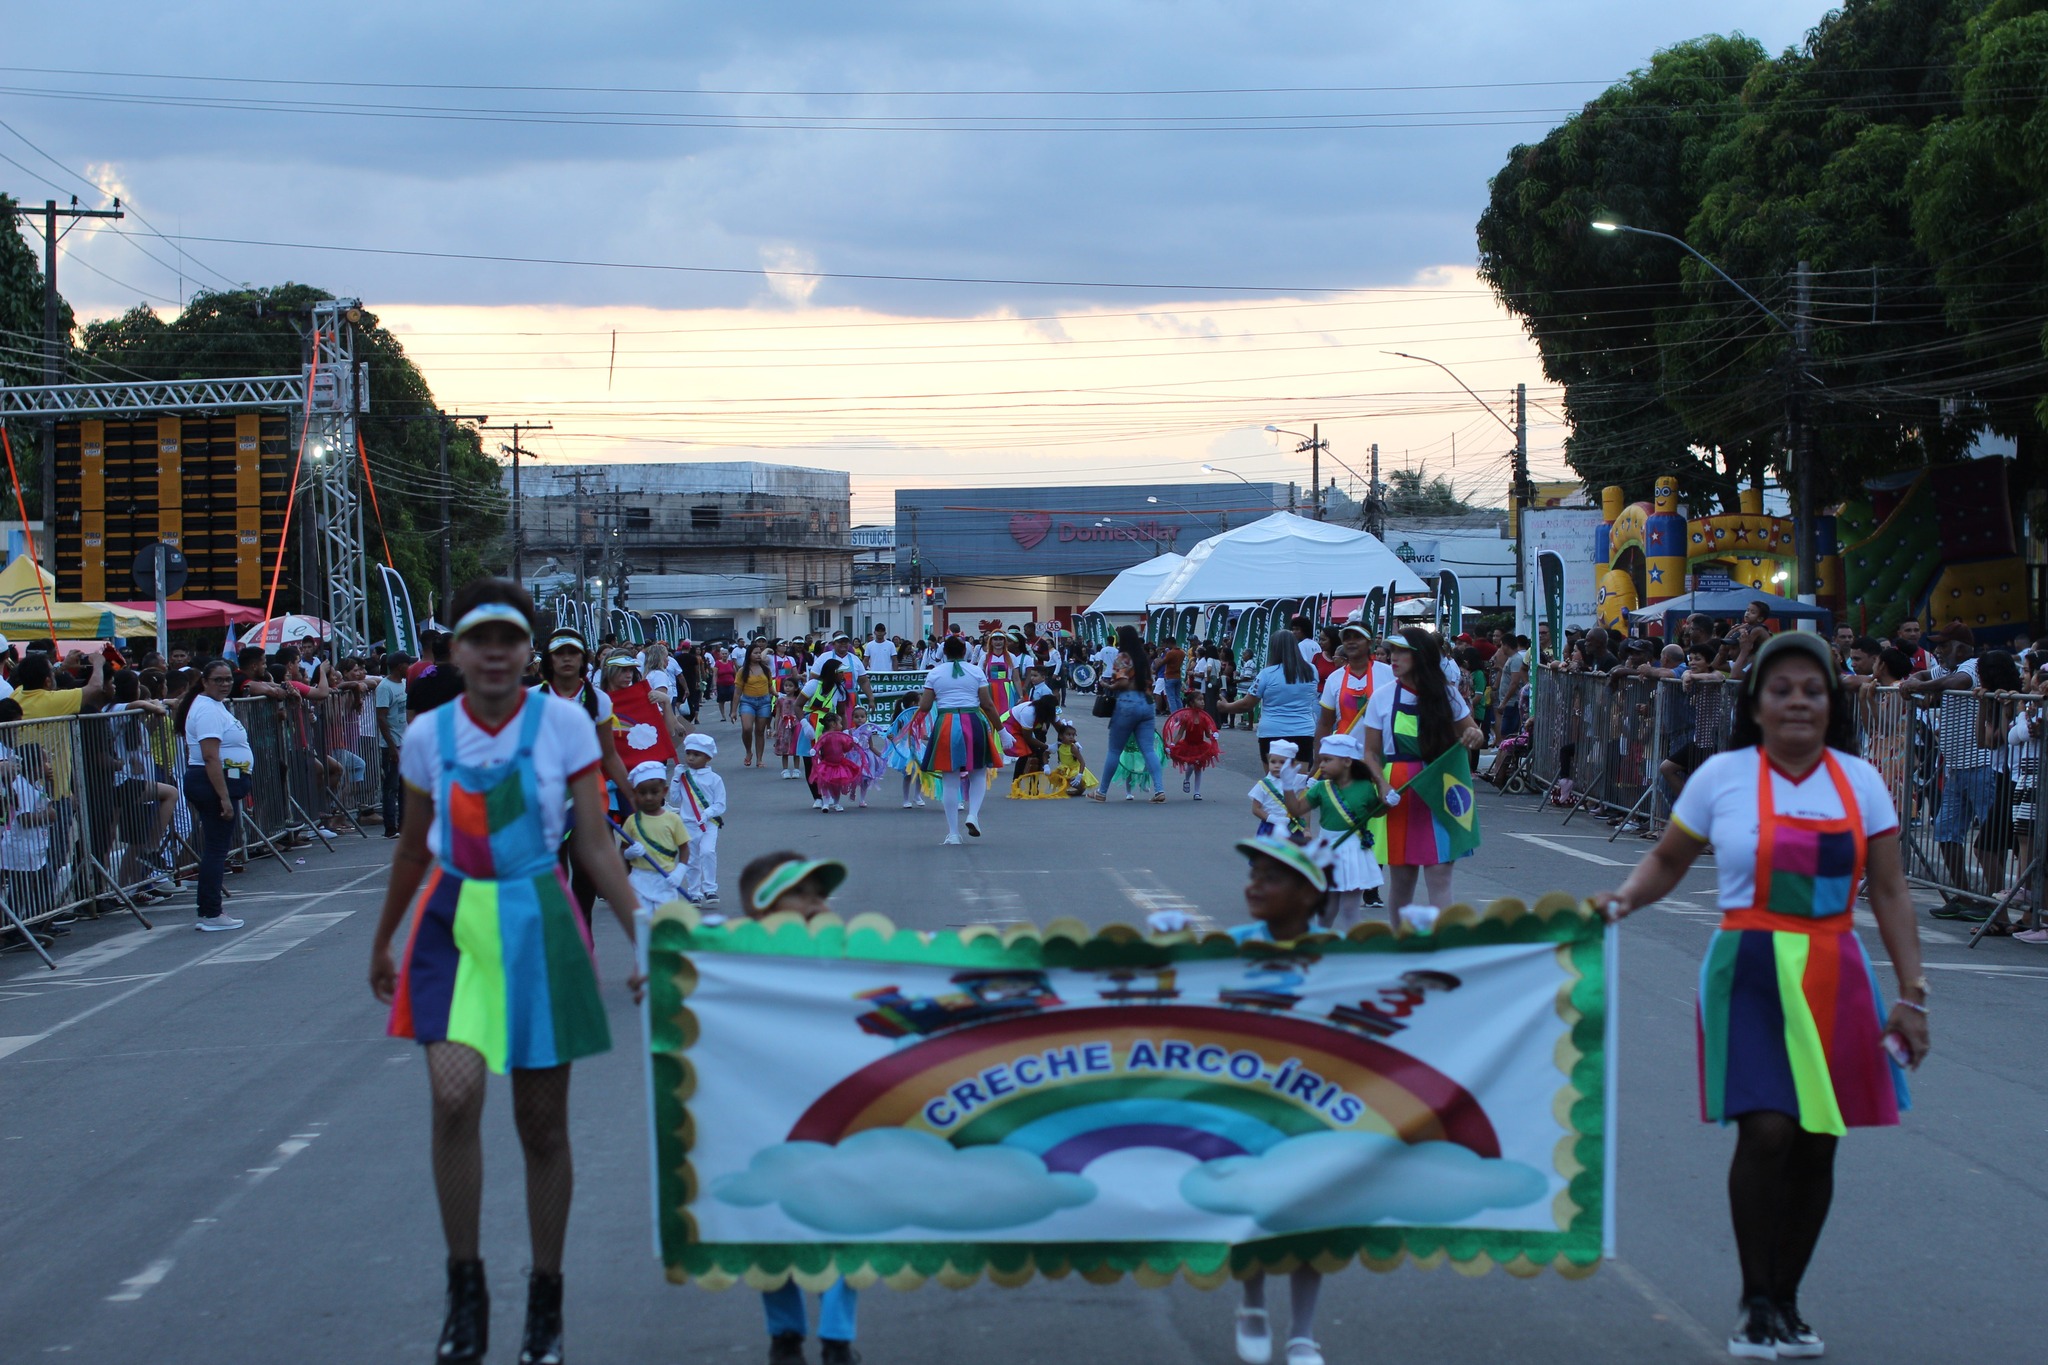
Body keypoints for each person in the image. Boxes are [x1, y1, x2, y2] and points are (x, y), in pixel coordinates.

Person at [1593, 631, 1929, 1359]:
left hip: (1836, 971)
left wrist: (1913, 993)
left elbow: (1892, 891)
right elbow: (1667, 859)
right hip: (1747, 968)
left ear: (1832, 702)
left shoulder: (1861, 781)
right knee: (1768, 1130)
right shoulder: (1722, 777)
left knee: (1817, 1142)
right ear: (1755, 704)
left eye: (1813, 688)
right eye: (1782, 689)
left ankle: (1787, 1301)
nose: (1798, 701)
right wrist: (1621, 900)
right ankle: (1754, 1301)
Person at [368, 580, 649, 1365]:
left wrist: (646, 938)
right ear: (455, 651)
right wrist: (383, 939)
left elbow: (594, 844)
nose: (494, 653)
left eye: (509, 639)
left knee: (541, 1124)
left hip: (539, 919)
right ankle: (466, 1289)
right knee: (455, 1096)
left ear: (528, 651)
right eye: (478, 639)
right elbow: (413, 846)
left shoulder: (565, 724)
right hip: (452, 924)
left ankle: (545, 1303)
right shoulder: (427, 735)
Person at [736, 852, 859, 1365]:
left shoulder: (851, 956)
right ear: (762, 909)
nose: (818, 904)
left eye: (821, 894)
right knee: (771, 1222)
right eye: (801, 894)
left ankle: (837, 1338)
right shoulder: (731, 966)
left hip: (838, 1116)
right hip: (763, 1118)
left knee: (847, 1216)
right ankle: (784, 1334)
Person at [1224, 832, 1336, 1365]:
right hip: (1246, 1104)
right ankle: (1251, 1304)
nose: (1254, 886)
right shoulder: (1231, 946)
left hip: (1314, 1107)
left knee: (1310, 1216)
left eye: (1270, 878)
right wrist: (1170, 950)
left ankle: (1303, 1333)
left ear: (1309, 894)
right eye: (1253, 876)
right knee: (1252, 1209)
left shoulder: (1340, 955)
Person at [1361, 628, 1483, 912]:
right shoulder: (1381, 697)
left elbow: (1475, 734)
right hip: (1399, 795)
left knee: (1440, 875)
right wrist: (1381, 784)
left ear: (1421, 656)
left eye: (1402, 651)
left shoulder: (1447, 695)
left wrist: (1474, 736)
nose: (1393, 657)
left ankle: (1440, 939)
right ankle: (1404, 939)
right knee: (1402, 880)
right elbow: (1370, 753)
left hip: (1440, 789)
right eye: (1392, 651)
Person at [177, 661, 250, 932]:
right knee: (217, 850)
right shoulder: (207, 709)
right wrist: (223, 797)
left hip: (218, 781)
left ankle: (210, 910)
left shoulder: (213, 705)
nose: (225, 684)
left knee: (216, 848)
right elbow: (210, 756)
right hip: (211, 783)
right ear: (205, 682)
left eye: (228, 679)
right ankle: (211, 912)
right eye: (218, 680)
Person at [1282, 732, 1384, 928]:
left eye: (1327, 760)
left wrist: (1386, 800)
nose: (1321, 765)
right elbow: (1296, 810)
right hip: (1329, 849)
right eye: (1321, 759)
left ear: (1347, 761)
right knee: (1327, 907)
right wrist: (1287, 786)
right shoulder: (1321, 788)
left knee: (1350, 908)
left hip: (1354, 851)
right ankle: (1321, 939)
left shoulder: (1365, 787)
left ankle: (1353, 942)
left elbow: (1377, 812)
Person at [911, 635, 1004, 844]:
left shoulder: (935, 673)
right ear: (964, 652)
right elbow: (987, 705)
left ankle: (953, 833)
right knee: (978, 774)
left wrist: (914, 726)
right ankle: (973, 815)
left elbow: (925, 706)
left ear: (944, 653)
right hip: (973, 722)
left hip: (946, 723)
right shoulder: (976, 671)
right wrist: (1003, 732)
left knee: (950, 780)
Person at [1218, 630, 1320, 776]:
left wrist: (1226, 706)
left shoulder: (1267, 674)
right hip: (1303, 731)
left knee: (1274, 781)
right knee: (1299, 781)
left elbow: (1247, 704)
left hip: (1272, 732)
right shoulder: (1311, 670)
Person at [1087, 625, 1167, 804]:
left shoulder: (1123, 657)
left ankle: (1102, 791)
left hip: (1128, 703)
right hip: (1147, 704)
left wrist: (1108, 685)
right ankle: (1159, 790)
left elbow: (1123, 683)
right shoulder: (1144, 658)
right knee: (1148, 750)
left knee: (1115, 750)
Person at [621, 760, 693, 910]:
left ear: (664, 791)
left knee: (664, 921)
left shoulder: (673, 819)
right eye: (642, 793)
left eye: (654, 792)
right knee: (643, 921)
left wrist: (680, 872)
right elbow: (622, 849)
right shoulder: (632, 821)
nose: (648, 797)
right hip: (639, 880)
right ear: (635, 793)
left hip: (666, 879)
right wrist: (629, 853)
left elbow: (684, 848)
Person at [673, 734, 726, 906]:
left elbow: (720, 804)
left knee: (707, 852)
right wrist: (675, 778)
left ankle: (710, 889)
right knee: (691, 859)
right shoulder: (683, 776)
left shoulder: (714, 779)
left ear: (707, 757)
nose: (690, 758)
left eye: (696, 754)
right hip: (687, 824)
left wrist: (708, 813)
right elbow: (674, 798)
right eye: (688, 753)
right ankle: (694, 892)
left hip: (708, 824)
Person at [375, 654, 412, 839]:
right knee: (391, 786)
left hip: (405, 742)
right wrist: (391, 747)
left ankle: (404, 825)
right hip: (393, 744)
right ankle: (390, 827)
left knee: (405, 787)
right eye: (407, 664)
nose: (409, 668)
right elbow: (381, 718)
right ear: (399, 666)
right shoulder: (385, 687)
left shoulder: (404, 684)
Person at [1164, 695, 1221, 799]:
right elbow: (1180, 734)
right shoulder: (1186, 717)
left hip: (1200, 746)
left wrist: (1214, 735)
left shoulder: (1204, 718)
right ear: (1191, 702)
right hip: (1188, 745)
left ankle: (1197, 792)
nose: (1202, 702)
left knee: (1198, 768)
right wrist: (1172, 744)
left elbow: (1207, 734)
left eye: (1203, 699)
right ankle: (1186, 779)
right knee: (1191, 766)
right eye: (1199, 700)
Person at [1248, 741, 1307, 839]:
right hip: (1270, 827)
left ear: (1292, 765)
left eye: (1282, 762)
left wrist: (1312, 781)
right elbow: (1255, 809)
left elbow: (1316, 780)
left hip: (1292, 826)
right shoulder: (1263, 784)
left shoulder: (1298, 779)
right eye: (1273, 762)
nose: (1277, 766)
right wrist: (1273, 819)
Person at [810, 710, 864, 813]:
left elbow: (845, 749)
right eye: (840, 723)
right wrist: (814, 751)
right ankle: (826, 803)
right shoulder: (824, 736)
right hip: (827, 765)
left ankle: (836, 802)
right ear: (833, 724)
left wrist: (852, 743)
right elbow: (818, 746)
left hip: (839, 764)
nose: (842, 725)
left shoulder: (841, 736)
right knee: (825, 784)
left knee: (837, 786)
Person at [735, 642, 777, 768]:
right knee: (747, 728)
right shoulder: (743, 671)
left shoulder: (766, 670)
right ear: (749, 655)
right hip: (747, 702)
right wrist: (733, 711)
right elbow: (737, 692)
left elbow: (770, 687)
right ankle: (748, 751)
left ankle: (759, 759)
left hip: (764, 702)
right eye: (755, 653)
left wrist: (778, 695)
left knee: (760, 731)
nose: (758, 655)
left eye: (759, 653)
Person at [772, 676, 803, 780]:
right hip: (784, 726)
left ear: (796, 688)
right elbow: (777, 715)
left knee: (796, 747)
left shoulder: (798, 700)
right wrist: (776, 729)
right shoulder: (780, 700)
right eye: (786, 685)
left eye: (790, 686)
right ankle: (785, 769)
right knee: (784, 747)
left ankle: (796, 769)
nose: (787, 688)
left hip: (796, 725)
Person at [713, 647, 738, 723]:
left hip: (731, 683)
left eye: (726, 654)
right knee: (721, 700)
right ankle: (723, 716)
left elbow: (735, 673)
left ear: (728, 654)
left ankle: (731, 712)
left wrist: (737, 682)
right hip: (721, 684)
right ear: (720, 655)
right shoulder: (717, 663)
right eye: (723, 654)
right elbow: (715, 675)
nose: (724, 655)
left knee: (733, 698)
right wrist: (714, 686)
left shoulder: (731, 663)